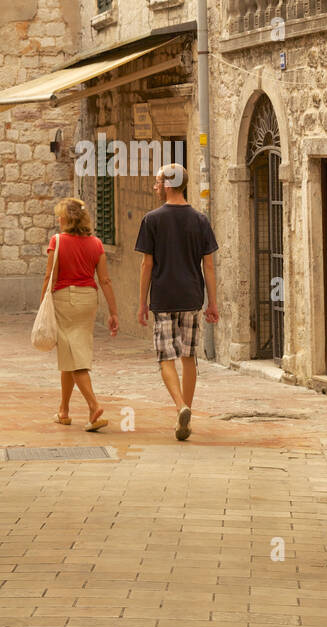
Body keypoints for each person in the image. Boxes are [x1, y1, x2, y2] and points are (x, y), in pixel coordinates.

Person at [135, 163, 219, 440]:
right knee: (189, 355)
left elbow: (147, 265)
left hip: (163, 297)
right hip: (192, 296)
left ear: (169, 185)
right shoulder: (200, 220)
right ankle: (188, 413)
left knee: (165, 356)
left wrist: (141, 303)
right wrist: (213, 304)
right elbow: (209, 265)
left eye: (158, 182)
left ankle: (180, 405)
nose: (156, 186)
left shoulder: (152, 220)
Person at [41, 196, 119, 431]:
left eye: (59, 215)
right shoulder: (96, 244)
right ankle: (63, 410)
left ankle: (93, 407)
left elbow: (49, 276)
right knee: (71, 351)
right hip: (88, 300)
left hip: (65, 299)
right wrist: (113, 312)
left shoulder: (57, 241)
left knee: (75, 357)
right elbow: (104, 279)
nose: (58, 219)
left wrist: (43, 305)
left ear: (64, 219)